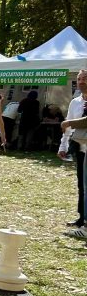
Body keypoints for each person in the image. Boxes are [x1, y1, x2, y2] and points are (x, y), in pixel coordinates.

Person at [59, 69, 87, 233]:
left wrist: (69, 123)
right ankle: (82, 217)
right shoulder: (75, 102)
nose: (82, 81)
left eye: (85, 78)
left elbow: (71, 123)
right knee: (82, 184)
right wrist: (63, 146)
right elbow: (67, 127)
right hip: (80, 148)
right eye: (79, 79)